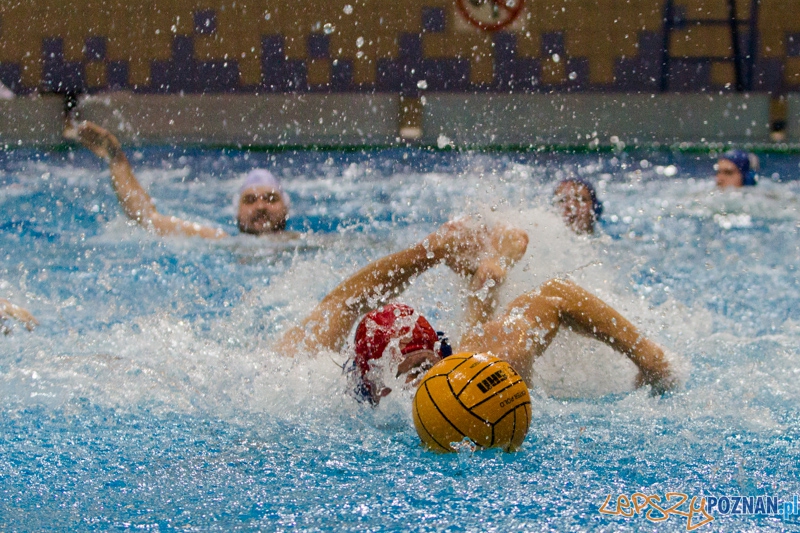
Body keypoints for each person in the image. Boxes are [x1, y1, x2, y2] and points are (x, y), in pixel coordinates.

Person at [276, 218, 674, 405]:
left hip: (472, 359)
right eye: (404, 376)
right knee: (317, 324)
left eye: (423, 370)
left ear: (439, 356)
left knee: (481, 343)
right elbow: (339, 304)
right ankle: (484, 275)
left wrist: (649, 357)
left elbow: (557, 294)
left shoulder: (479, 368)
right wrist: (427, 252)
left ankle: (489, 274)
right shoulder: (300, 380)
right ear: (365, 377)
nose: (417, 386)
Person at [63, 121, 290, 238]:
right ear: (237, 211)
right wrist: (116, 158)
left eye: (270, 199)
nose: (261, 206)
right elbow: (146, 216)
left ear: (286, 208)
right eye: (250, 200)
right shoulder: (220, 241)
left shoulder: (309, 245)